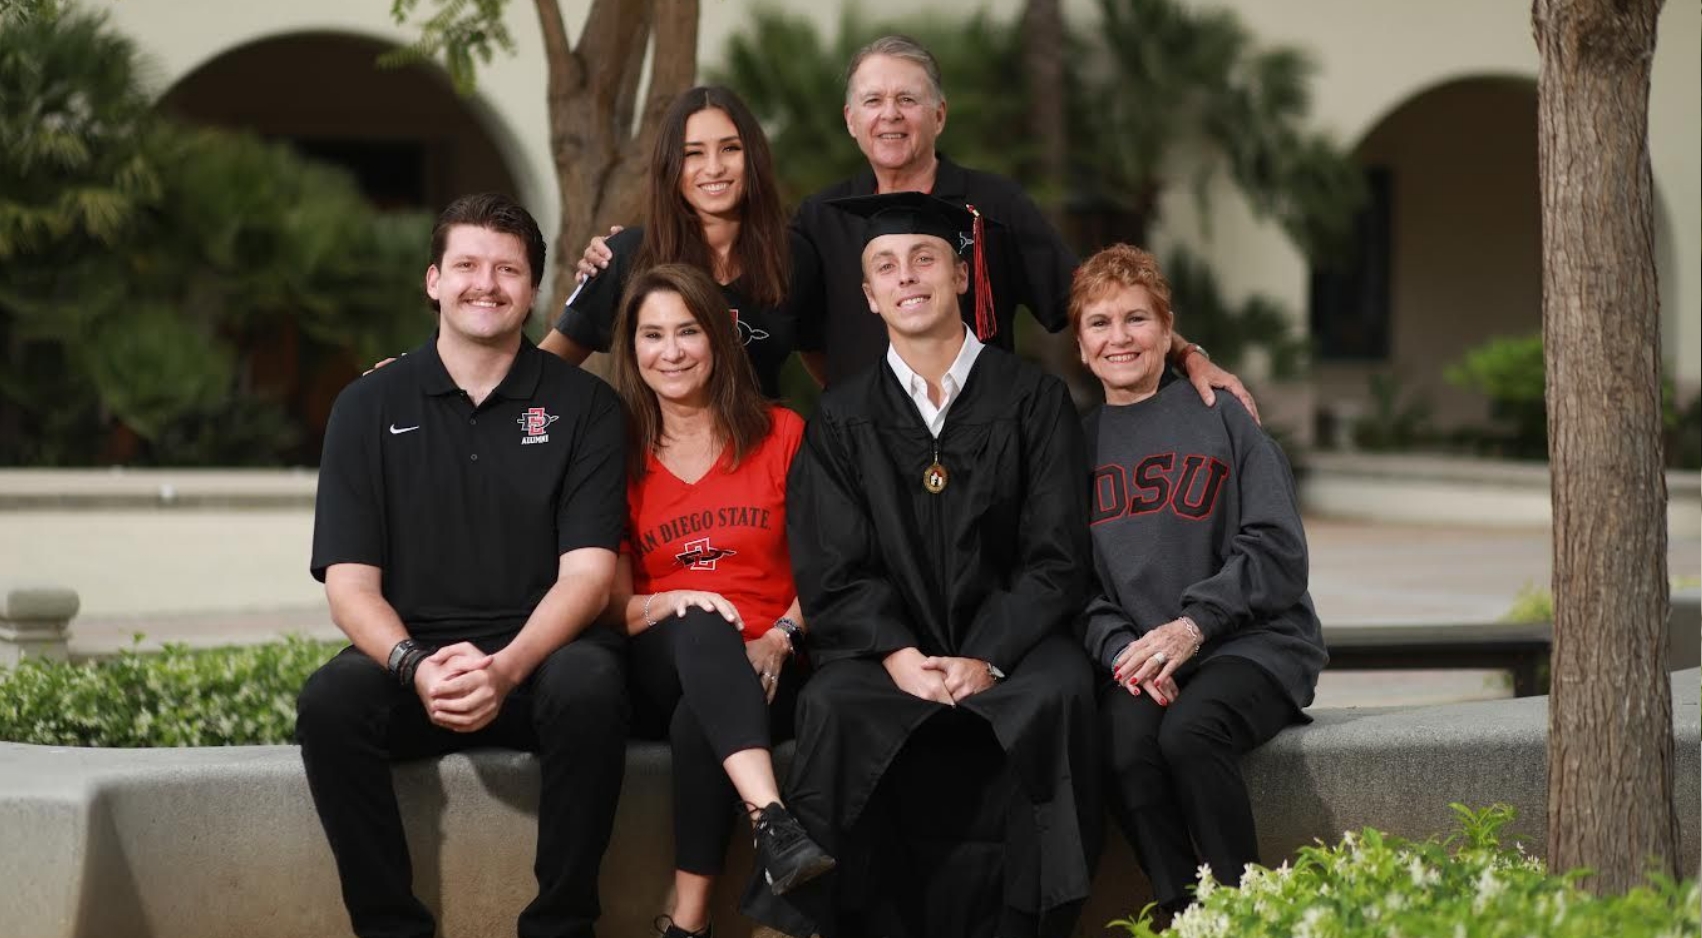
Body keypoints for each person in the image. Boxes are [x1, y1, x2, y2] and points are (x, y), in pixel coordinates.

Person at [751, 192, 1100, 938]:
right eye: (886, 266)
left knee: (1060, 695)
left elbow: (1056, 556)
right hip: (889, 655)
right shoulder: (842, 420)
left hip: (1013, 652)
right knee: (833, 706)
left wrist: (986, 657)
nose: (907, 277)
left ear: (962, 276)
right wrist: (901, 657)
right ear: (869, 295)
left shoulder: (1034, 402)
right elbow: (832, 567)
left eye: (925, 259)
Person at [577, 38, 1257, 415]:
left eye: (909, 99)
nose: (890, 115)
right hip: (865, 451)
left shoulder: (995, 205)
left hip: (981, 439)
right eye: (873, 101)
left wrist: (1187, 354)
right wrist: (620, 255)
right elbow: (774, 307)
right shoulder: (817, 220)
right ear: (851, 120)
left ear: (939, 116)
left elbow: (1094, 301)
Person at [297, 193, 630, 938]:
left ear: (534, 290)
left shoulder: (586, 408)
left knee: (595, 684)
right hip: (418, 662)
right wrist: (415, 666)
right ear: (433, 281)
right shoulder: (365, 405)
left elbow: (587, 577)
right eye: (468, 265)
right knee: (330, 703)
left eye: (508, 269)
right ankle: (390, 927)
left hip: (539, 658)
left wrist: (507, 668)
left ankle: (562, 924)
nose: (488, 283)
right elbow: (350, 588)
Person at [1071, 244, 1327, 927]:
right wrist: (1122, 646)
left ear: (1167, 329)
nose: (1119, 338)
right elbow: (1070, 580)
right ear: (1081, 343)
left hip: (1251, 644)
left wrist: (1192, 626)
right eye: (1100, 323)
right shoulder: (1077, 444)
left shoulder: (1222, 414)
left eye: (1136, 319)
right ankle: (1181, 911)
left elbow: (1276, 549)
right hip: (1143, 656)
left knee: (1189, 734)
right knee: (1121, 745)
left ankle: (1244, 911)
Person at [602, 263, 833, 937]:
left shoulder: (782, 432)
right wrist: (677, 600)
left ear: (718, 340)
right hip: (660, 652)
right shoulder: (615, 453)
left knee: (696, 722)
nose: (670, 352)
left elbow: (829, 565)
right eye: (652, 335)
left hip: (776, 656)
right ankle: (772, 819)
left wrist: (782, 635)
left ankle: (689, 921)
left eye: (687, 332)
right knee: (701, 622)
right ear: (632, 348)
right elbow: (612, 603)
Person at [542, 86, 799, 399]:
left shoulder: (794, 255)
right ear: (670, 165)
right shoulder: (626, 255)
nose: (714, 167)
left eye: (730, 148)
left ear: (754, 156)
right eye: (693, 153)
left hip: (762, 444)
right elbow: (545, 370)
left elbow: (832, 372)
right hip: (649, 445)